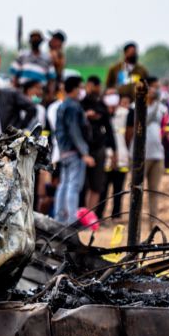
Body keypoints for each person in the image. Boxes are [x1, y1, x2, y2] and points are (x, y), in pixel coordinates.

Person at [125, 77, 168, 223]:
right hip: (139, 156)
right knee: (137, 190)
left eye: (158, 87)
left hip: (157, 154)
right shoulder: (134, 107)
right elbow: (136, 126)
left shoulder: (162, 108)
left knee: (154, 191)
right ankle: (134, 221)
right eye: (153, 87)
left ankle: (153, 222)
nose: (155, 90)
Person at [53, 75, 93, 225]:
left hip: (64, 151)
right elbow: (74, 131)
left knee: (64, 184)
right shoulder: (73, 106)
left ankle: (59, 217)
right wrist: (85, 153)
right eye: (80, 87)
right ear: (75, 88)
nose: (81, 90)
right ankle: (71, 219)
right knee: (74, 186)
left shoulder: (62, 106)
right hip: (74, 152)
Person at [81, 76, 114, 214]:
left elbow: (109, 128)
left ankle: (90, 215)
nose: (98, 89)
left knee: (97, 185)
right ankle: (80, 216)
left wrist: (114, 150)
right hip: (83, 149)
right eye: (97, 86)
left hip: (99, 148)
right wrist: (85, 116)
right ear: (89, 85)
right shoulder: (80, 104)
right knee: (82, 185)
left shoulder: (101, 105)